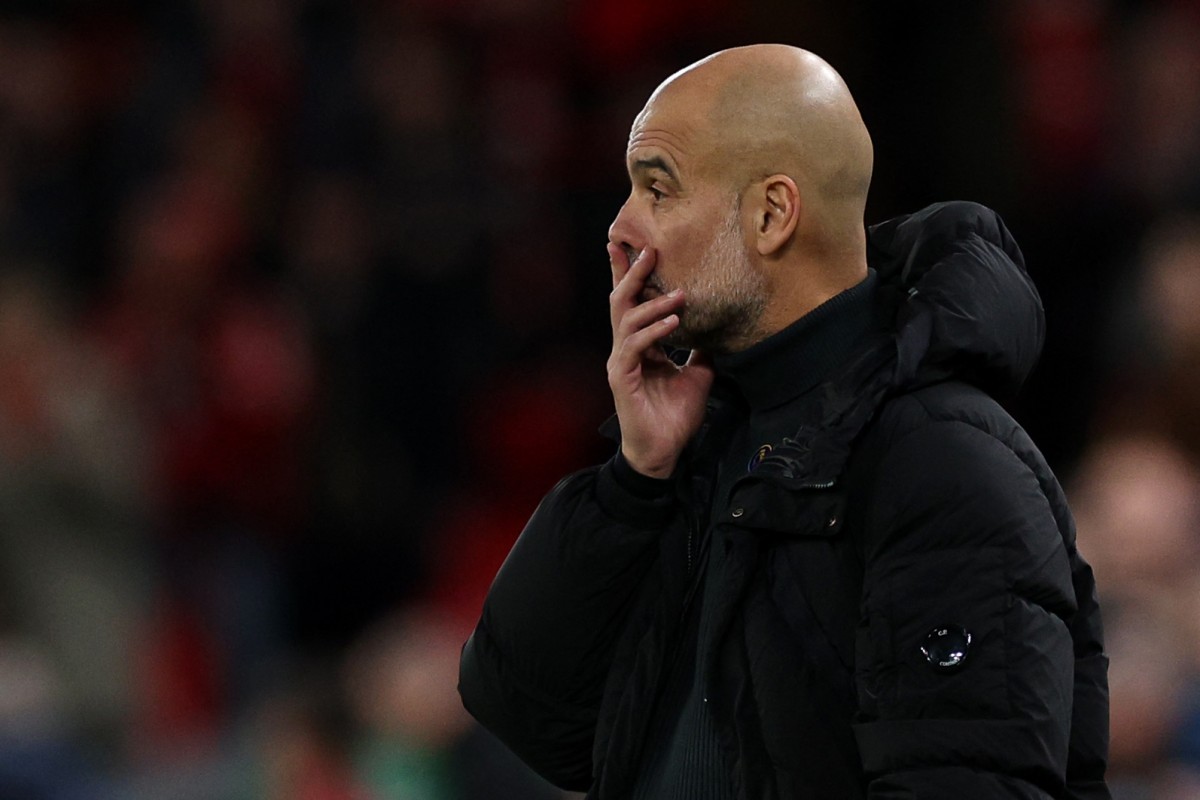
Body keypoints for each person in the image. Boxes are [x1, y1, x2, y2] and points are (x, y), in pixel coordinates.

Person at [458, 44, 1110, 799]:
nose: (620, 230)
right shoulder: (698, 446)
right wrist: (633, 483)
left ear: (771, 215)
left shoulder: (946, 468)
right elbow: (533, 721)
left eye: (657, 190)